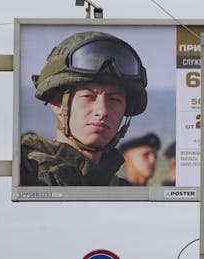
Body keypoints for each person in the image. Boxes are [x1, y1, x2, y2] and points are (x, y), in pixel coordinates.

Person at [20, 30, 148, 186]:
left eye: (114, 99)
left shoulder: (122, 191)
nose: (102, 111)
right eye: (88, 97)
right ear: (57, 102)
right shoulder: (24, 176)